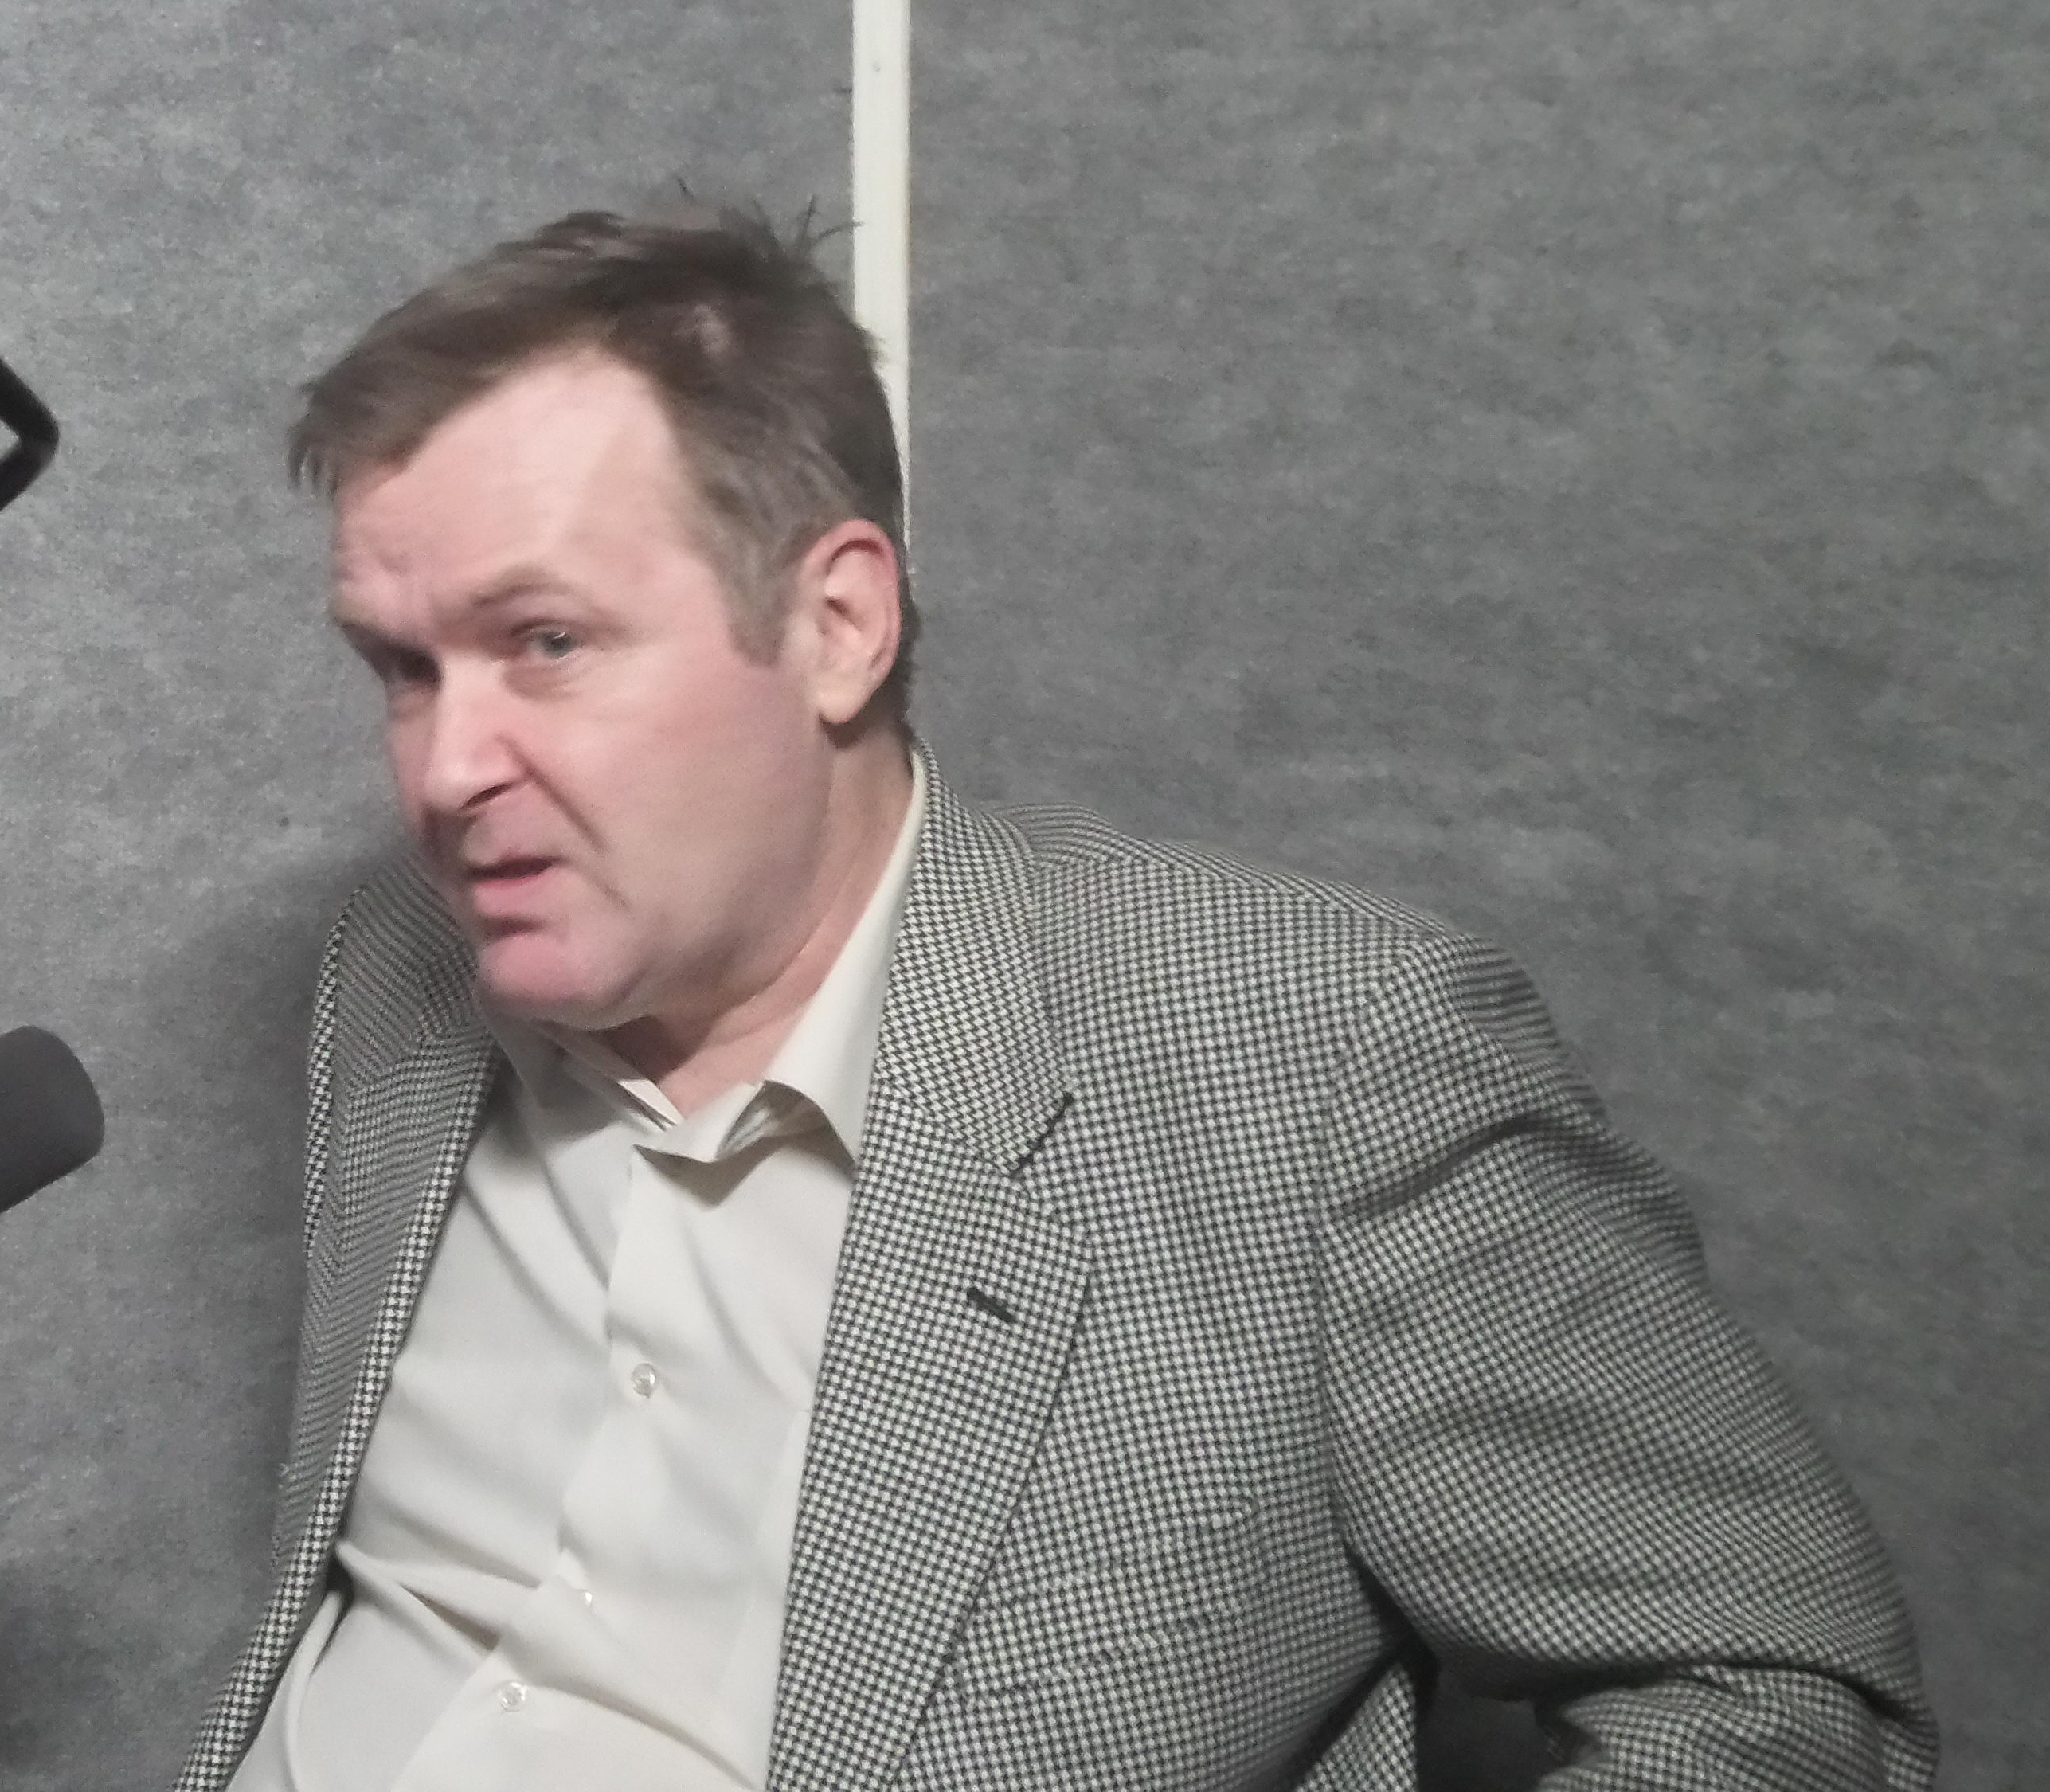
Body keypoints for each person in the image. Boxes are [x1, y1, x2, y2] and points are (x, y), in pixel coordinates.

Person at [174, 208, 1931, 1791]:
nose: (445, 768)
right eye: (401, 668)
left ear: (837, 625)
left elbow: (1771, 1696)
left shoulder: (1319, 1058)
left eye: (544, 642)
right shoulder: (401, 968)